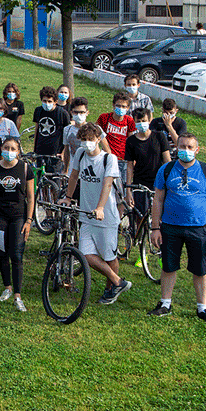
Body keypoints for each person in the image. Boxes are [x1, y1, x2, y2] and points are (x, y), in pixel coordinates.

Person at [149, 133, 206, 325]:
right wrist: (155, 228)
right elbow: (157, 200)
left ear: (197, 150)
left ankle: (202, 308)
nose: (186, 151)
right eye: (182, 146)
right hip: (170, 227)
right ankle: (165, 304)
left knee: (200, 269)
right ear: (176, 148)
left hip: (198, 228)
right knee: (168, 266)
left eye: (190, 147)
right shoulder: (166, 170)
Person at [62, 123, 132, 305]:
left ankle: (110, 289)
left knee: (109, 256)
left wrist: (100, 207)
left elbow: (107, 185)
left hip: (106, 216)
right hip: (87, 215)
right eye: (83, 140)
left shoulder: (109, 159)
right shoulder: (80, 154)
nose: (86, 144)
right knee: (85, 255)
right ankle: (118, 281)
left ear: (99, 139)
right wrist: (68, 198)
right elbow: (74, 176)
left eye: (90, 140)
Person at [0, 137, 33, 312]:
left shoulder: (26, 168)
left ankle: (18, 295)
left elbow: (31, 197)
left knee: (17, 254)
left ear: (18, 151)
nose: (9, 151)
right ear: (1, 149)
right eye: (6, 148)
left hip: (19, 215)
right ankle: (7, 288)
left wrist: (29, 220)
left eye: (13, 148)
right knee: (2, 252)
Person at [124, 108, 170, 220]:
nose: (141, 124)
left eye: (144, 120)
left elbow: (167, 161)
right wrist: (128, 189)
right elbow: (129, 166)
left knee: (160, 214)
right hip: (140, 182)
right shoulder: (131, 141)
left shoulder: (159, 136)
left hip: (158, 181)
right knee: (139, 216)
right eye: (138, 121)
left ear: (149, 120)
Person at [60, 97, 109, 180]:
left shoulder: (95, 129)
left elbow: (106, 148)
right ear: (71, 113)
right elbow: (67, 151)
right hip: (73, 171)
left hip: (92, 172)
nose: (79, 115)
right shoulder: (67, 130)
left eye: (82, 112)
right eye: (76, 112)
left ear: (87, 113)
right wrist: (65, 169)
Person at [97, 90, 137, 180]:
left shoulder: (129, 120)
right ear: (113, 105)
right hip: (107, 157)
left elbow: (131, 141)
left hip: (123, 159)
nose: (121, 108)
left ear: (128, 108)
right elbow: (96, 134)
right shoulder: (104, 118)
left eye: (123, 106)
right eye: (118, 106)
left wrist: (133, 158)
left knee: (121, 186)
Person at [32, 86, 71, 173]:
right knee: (40, 179)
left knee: (54, 179)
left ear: (55, 102)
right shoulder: (38, 111)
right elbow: (37, 130)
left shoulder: (62, 114)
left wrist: (63, 152)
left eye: (50, 101)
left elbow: (67, 134)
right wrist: (34, 150)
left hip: (55, 153)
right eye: (44, 101)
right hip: (40, 151)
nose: (47, 103)